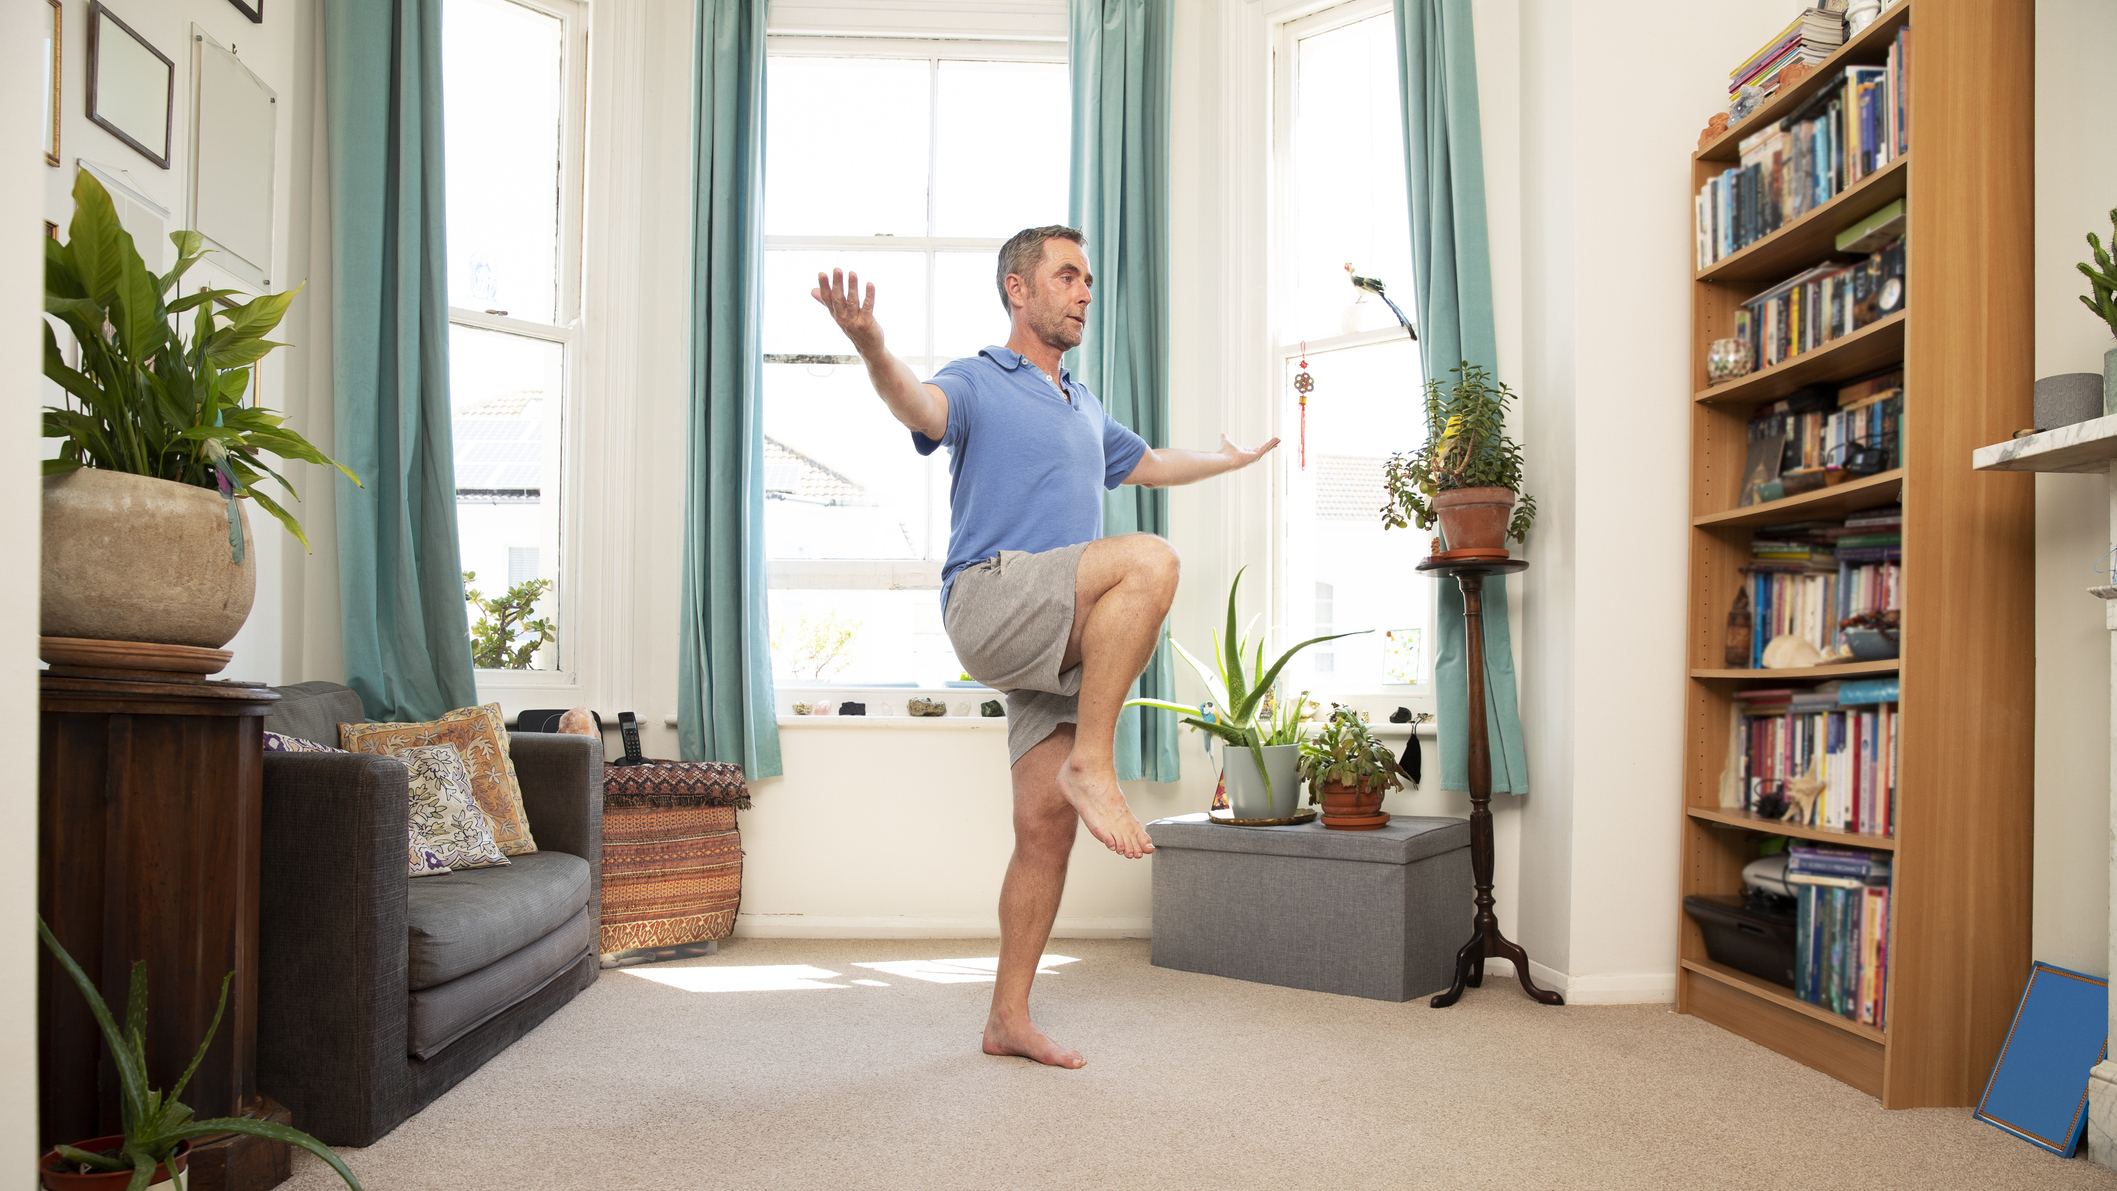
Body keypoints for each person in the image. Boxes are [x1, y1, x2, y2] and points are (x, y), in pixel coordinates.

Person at [812, 225, 1278, 1068]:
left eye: (1088, 279)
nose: (1084, 291)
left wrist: (1227, 461)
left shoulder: (1083, 403)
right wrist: (873, 346)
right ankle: (1093, 761)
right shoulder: (980, 378)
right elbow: (918, 407)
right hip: (993, 595)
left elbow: (1148, 463)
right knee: (1150, 558)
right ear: (1017, 290)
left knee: (1043, 827)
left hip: (1054, 633)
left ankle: (1007, 1017)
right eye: (1066, 276)